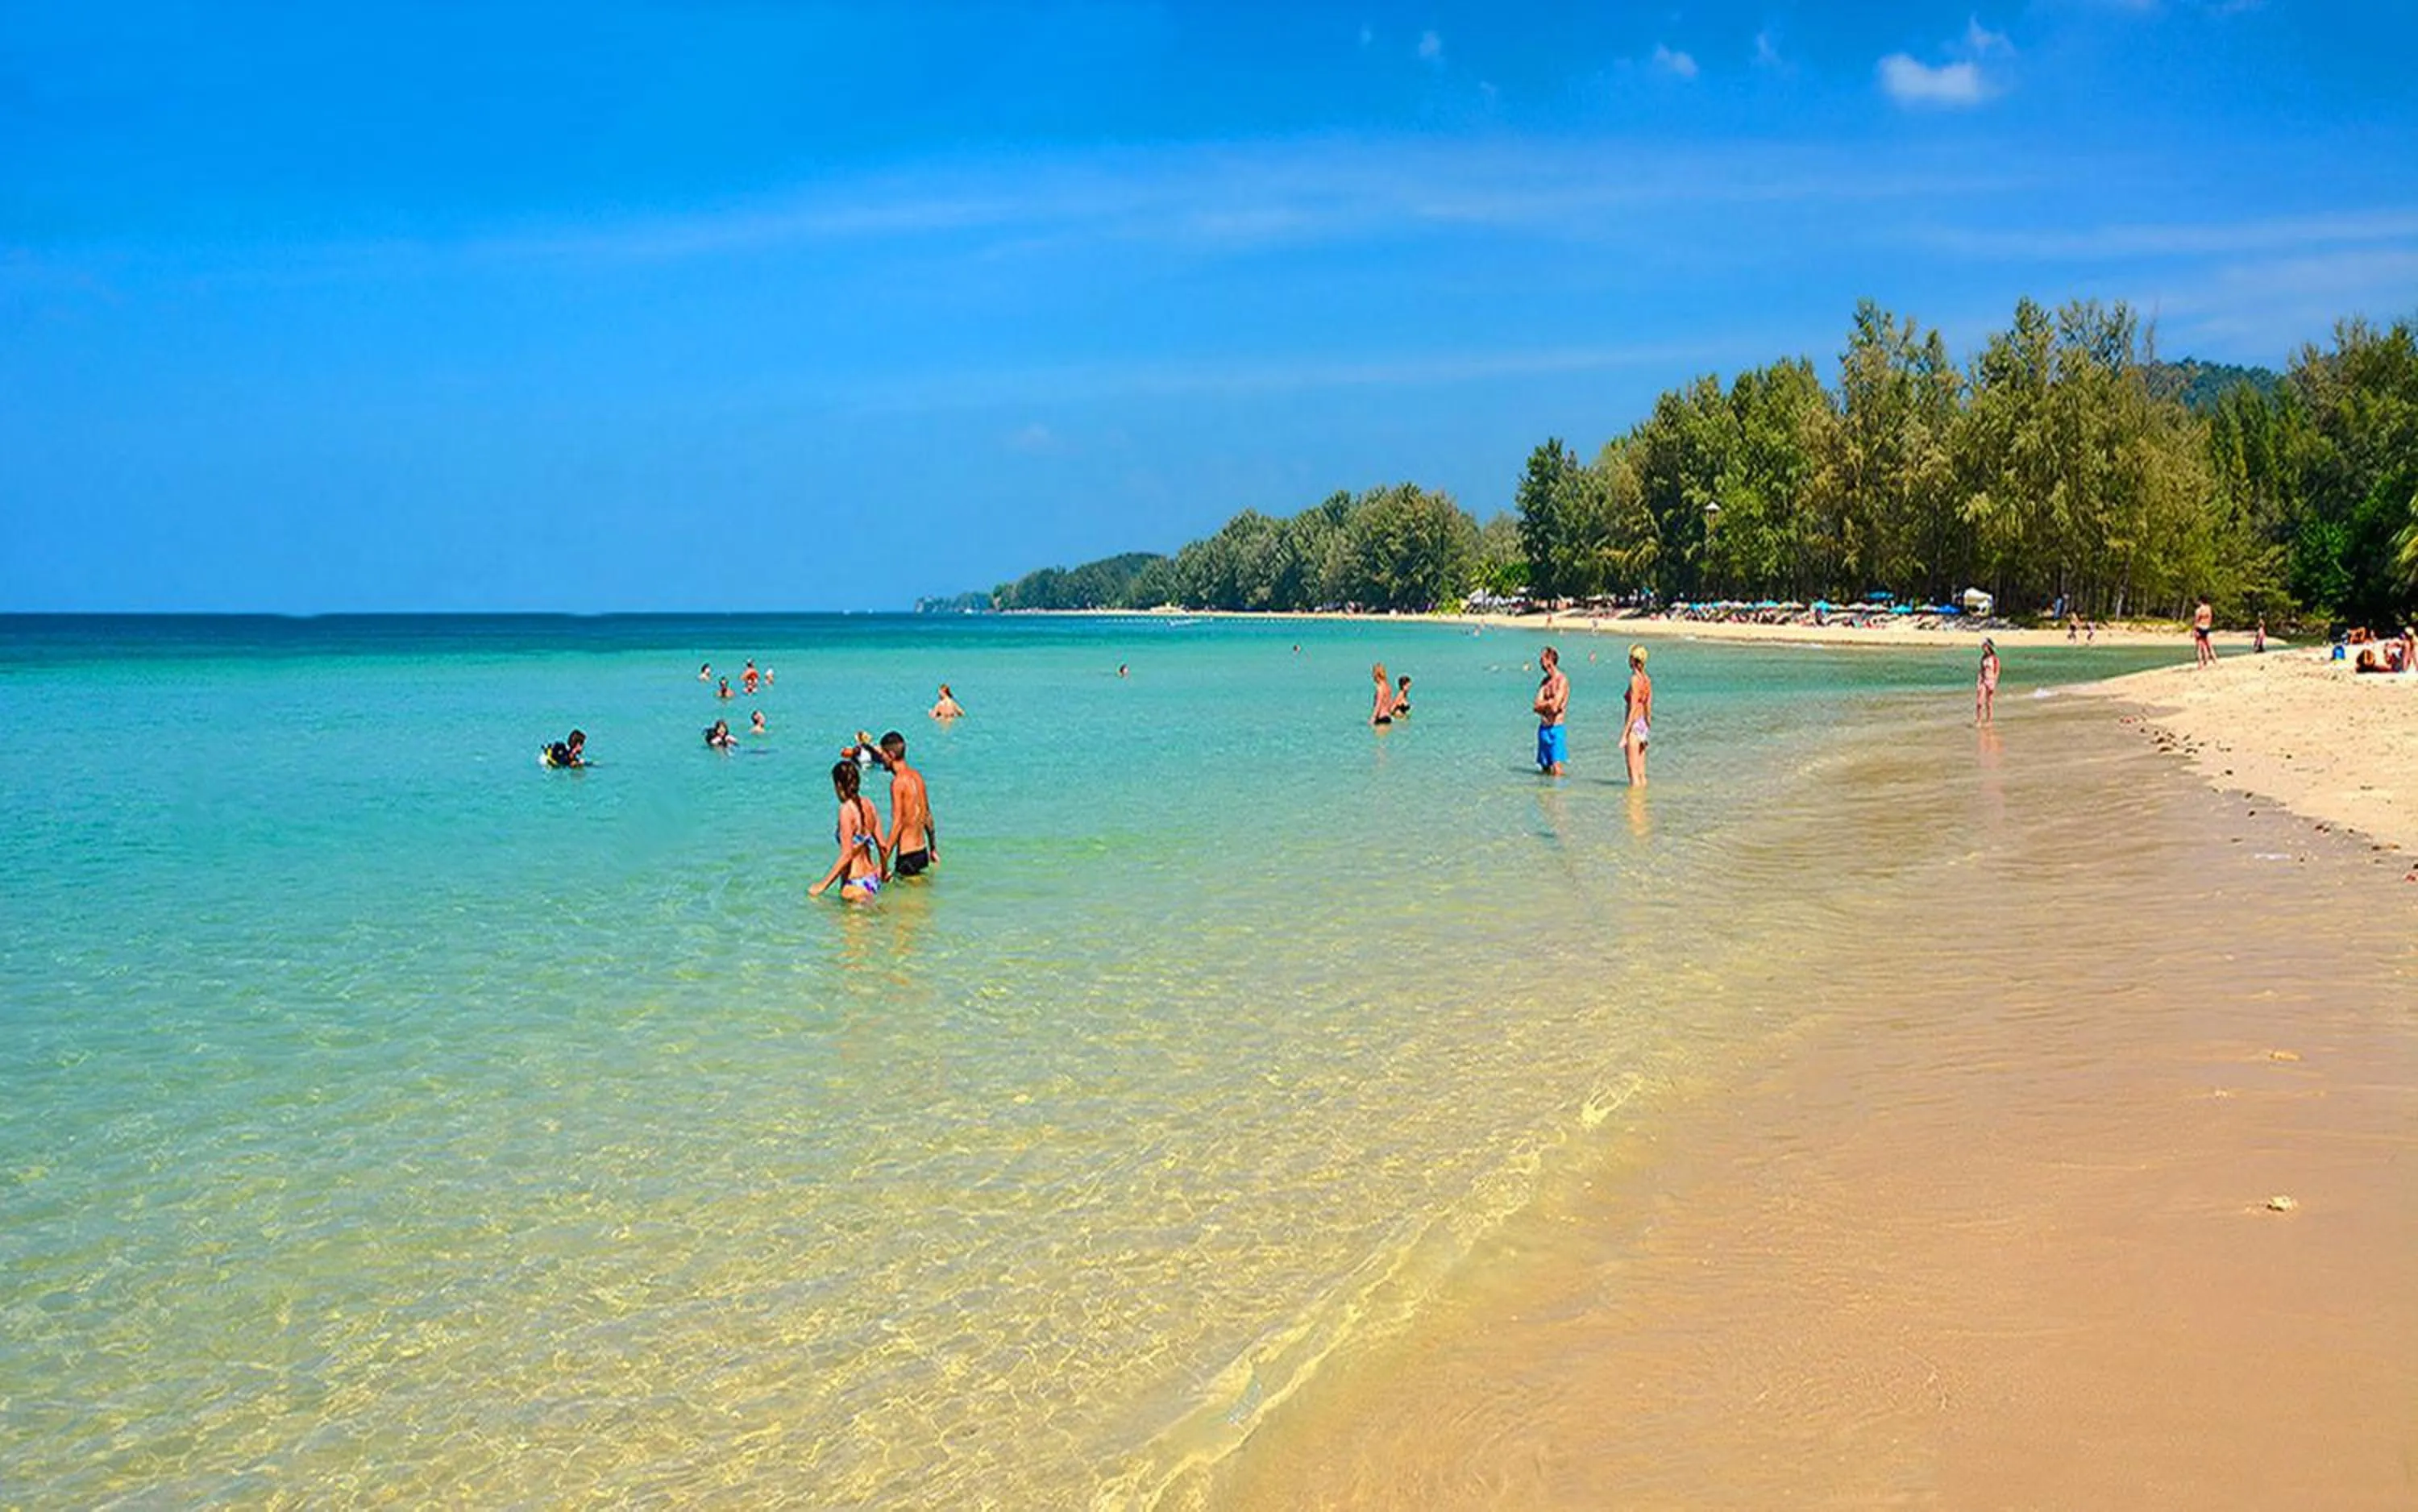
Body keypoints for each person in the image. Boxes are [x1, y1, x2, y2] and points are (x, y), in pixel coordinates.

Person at [808, 759, 886, 900]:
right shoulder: (869, 804)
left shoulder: (846, 810)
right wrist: (884, 872)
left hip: (854, 884)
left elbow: (847, 855)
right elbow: (883, 846)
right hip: (873, 879)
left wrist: (823, 885)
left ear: (838, 785)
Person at [875, 731, 939, 878]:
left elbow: (898, 824)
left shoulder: (898, 783)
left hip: (907, 856)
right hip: (922, 852)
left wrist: (883, 863)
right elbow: (928, 816)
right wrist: (933, 848)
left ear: (891, 755)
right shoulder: (918, 777)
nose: (881, 759)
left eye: (882, 755)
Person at [1533, 646, 1569, 775]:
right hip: (1543, 729)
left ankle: (1558, 795)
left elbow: (1556, 707)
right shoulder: (1545, 682)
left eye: (1542, 658)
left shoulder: (1562, 680)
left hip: (1556, 728)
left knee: (1557, 769)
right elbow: (1535, 706)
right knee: (1544, 770)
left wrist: (1546, 704)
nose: (1540, 661)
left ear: (1549, 660)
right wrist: (1549, 703)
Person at [1622, 645, 1653, 785]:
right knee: (1641, 773)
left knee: (1633, 774)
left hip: (1634, 724)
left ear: (1633, 660)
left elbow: (1633, 707)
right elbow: (1647, 706)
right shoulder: (1646, 680)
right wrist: (1647, 726)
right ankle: (1642, 804)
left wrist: (1624, 735)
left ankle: (1634, 805)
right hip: (1642, 724)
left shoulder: (1635, 680)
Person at [1976, 638, 2000, 725]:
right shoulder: (1983, 658)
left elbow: (1997, 671)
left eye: (1984, 646)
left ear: (1988, 647)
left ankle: (1989, 721)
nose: (1983, 648)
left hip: (1991, 680)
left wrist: (1994, 683)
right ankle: (1978, 720)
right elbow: (1981, 670)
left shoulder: (1994, 658)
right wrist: (1978, 682)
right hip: (1983, 680)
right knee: (1979, 702)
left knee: (1989, 703)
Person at [1369, 663, 1396, 727]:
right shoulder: (1388, 686)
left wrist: (1373, 718)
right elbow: (1390, 703)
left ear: (1376, 674)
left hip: (1381, 718)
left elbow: (1378, 703)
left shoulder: (1380, 688)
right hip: (1388, 717)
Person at [2193, 597, 2216, 669]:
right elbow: (2210, 618)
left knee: (2199, 648)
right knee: (2209, 646)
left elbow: (2196, 621)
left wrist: (2194, 630)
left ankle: (2200, 664)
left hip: (2200, 628)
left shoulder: (2198, 610)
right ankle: (2215, 661)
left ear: (2200, 602)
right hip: (2207, 627)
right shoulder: (2208, 608)